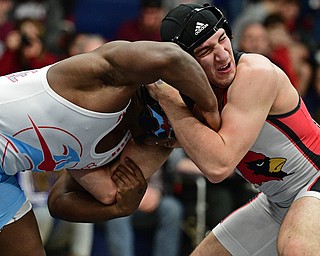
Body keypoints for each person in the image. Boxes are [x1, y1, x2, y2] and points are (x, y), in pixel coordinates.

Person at [0, 39, 219, 256]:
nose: (166, 138)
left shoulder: (138, 146)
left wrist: (120, 209)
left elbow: (58, 202)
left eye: (172, 136)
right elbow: (171, 56)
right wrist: (212, 111)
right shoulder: (106, 79)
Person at [146, 3, 320, 255]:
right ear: (185, 63)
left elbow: (218, 165)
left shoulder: (254, 73)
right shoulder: (190, 98)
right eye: (206, 50)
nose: (223, 55)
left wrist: (170, 102)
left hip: (314, 180)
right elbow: (165, 143)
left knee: (297, 248)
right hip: (277, 201)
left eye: (222, 39)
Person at [105, 168, 183, 256]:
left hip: (155, 197)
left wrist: (157, 192)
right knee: (116, 214)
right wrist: (134, 196)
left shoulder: (158, 154)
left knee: (172, 208)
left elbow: (164, 178)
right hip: (123, 197)